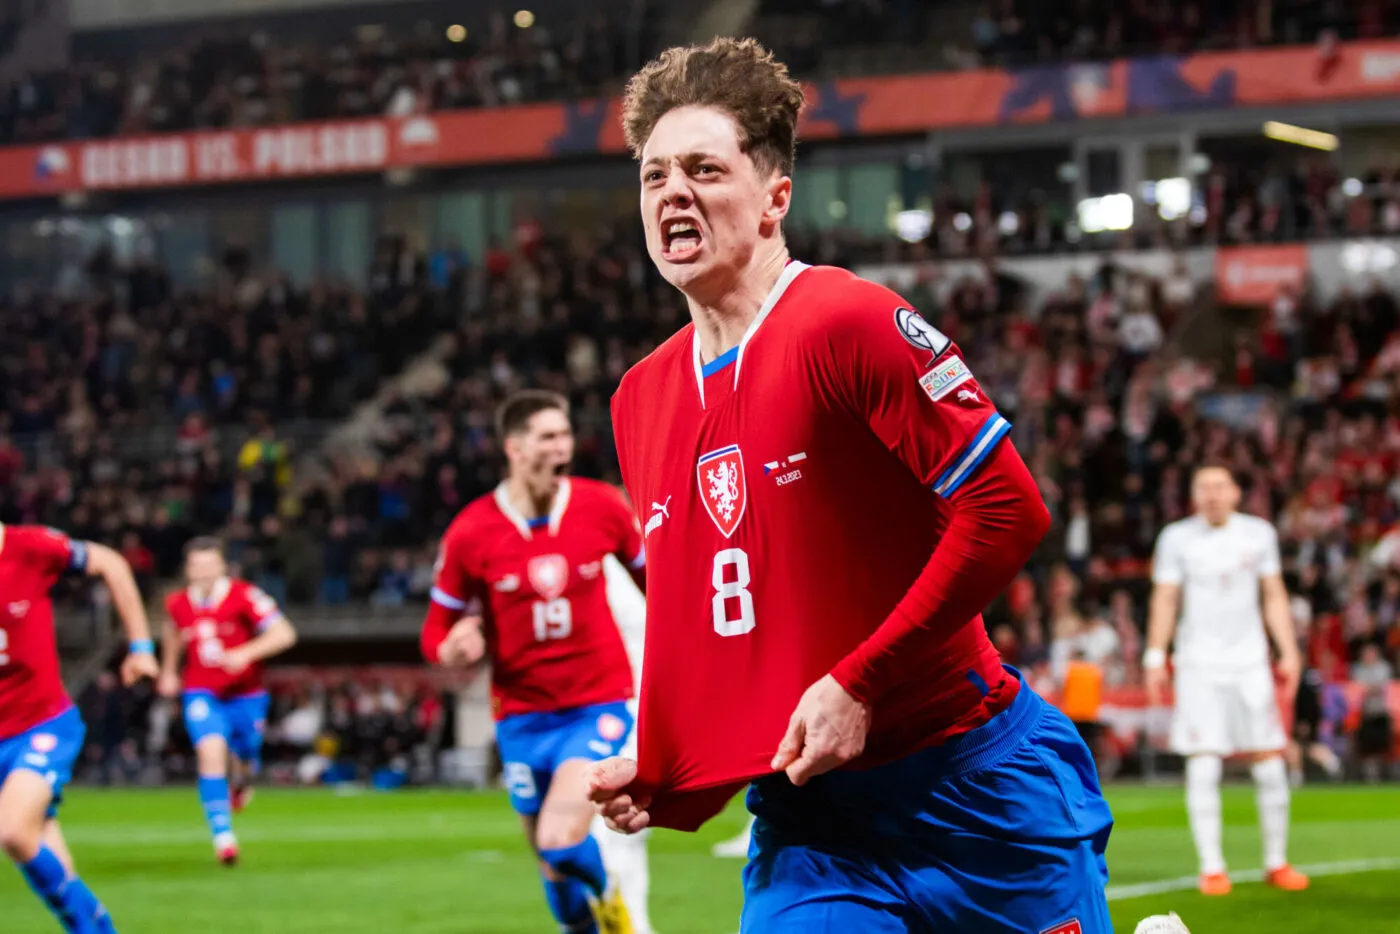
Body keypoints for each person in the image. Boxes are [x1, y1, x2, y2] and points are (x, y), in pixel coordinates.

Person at [590, 37, 1113, 932]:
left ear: (774, 199)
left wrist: (860, 682)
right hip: (814, 824)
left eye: (704, 170)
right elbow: (708, 613)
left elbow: (1008, 510)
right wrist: (679, 769)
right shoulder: (641, 397)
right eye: (654, 175)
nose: (673, 191)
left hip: (977, 787)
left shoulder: (848, 323)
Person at [422, 390, 644, 934]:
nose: (562, 446)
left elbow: (658, 586)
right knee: (554, 875)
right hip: (520, 719)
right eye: (548, 436)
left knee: (559, 841)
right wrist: (452, 648)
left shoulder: (602, 507)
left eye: (566, 435)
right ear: (515, 448)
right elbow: (435, 632)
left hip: (597, 706)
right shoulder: (472, 532)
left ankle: (612, 890)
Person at [1145, 464, 1309, 895]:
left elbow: (1273, 595)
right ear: (1193, 495)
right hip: (1199, 664)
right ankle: (1212, 867)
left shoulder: (1259, 535)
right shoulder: (1176, 538)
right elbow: (1165, 598)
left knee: (1270, 761)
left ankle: (1276, 862)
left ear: (1236, 492)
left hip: (1250, 663)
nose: (1212, 494)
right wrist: (1154, 654)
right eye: (1204, 487)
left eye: (1220, 486)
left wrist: (1288, 650)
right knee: (1203, 760)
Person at [0, 523, 159, 933]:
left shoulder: (30, 547)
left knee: (14, 832)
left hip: (41, 724)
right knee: (42, 848)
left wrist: (140, 646)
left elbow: (111, 562)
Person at [158, 537, 298, 866]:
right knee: (210, 751)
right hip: (201, 691)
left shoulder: (245, 596)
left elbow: (284, 634)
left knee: (245, 755)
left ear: (222, 566)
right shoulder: (177, 603)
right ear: (188, 569)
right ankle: (224, 838)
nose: (204, 572)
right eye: (197, 566)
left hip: (246, 693)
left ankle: (243, 780)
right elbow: (172, 633)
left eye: (210, 565)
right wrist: (168, 671)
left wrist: (245, 653)